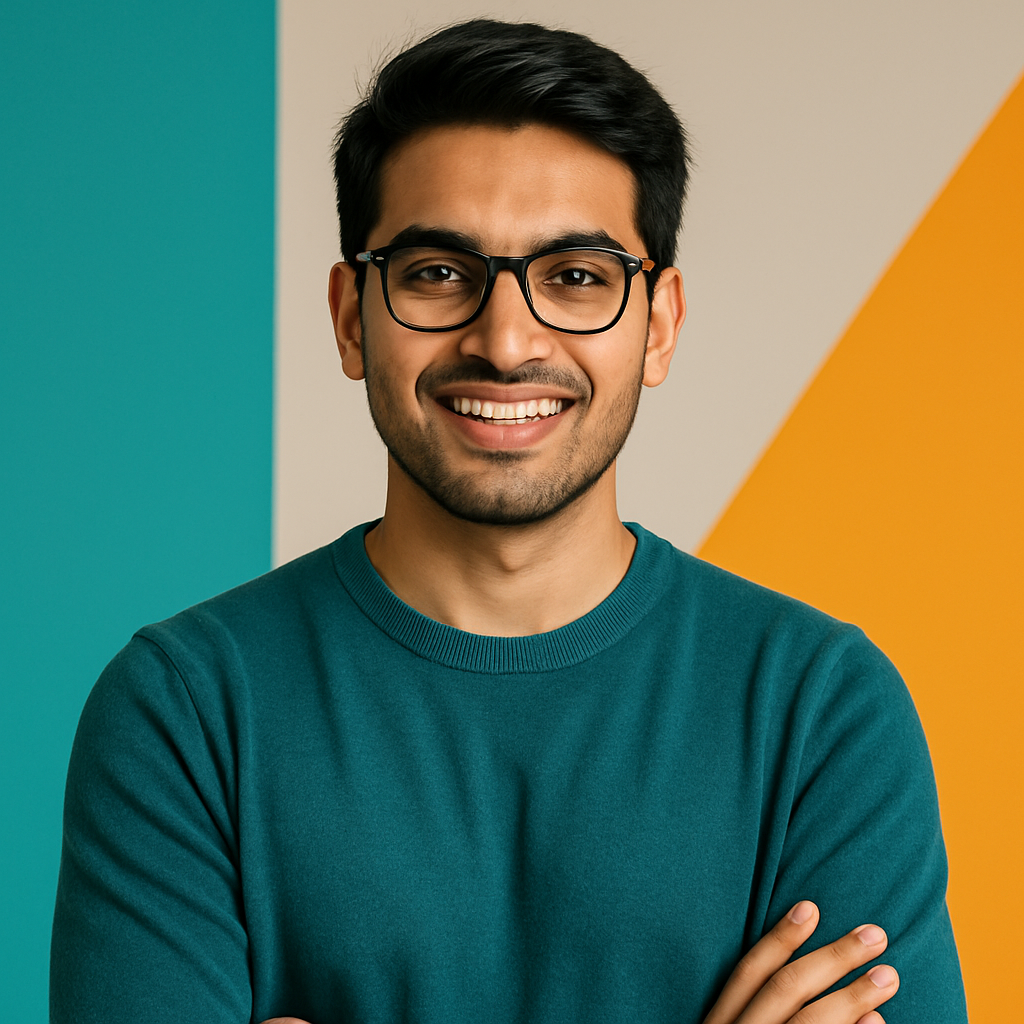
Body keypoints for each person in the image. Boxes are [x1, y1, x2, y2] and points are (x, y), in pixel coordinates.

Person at [50, 19, 967, 1024]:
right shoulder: (185, 712)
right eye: (438, 273)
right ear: (353, 316)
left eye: (576, 277)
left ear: (656, 326)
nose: (506, 338)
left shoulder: (820, 712)